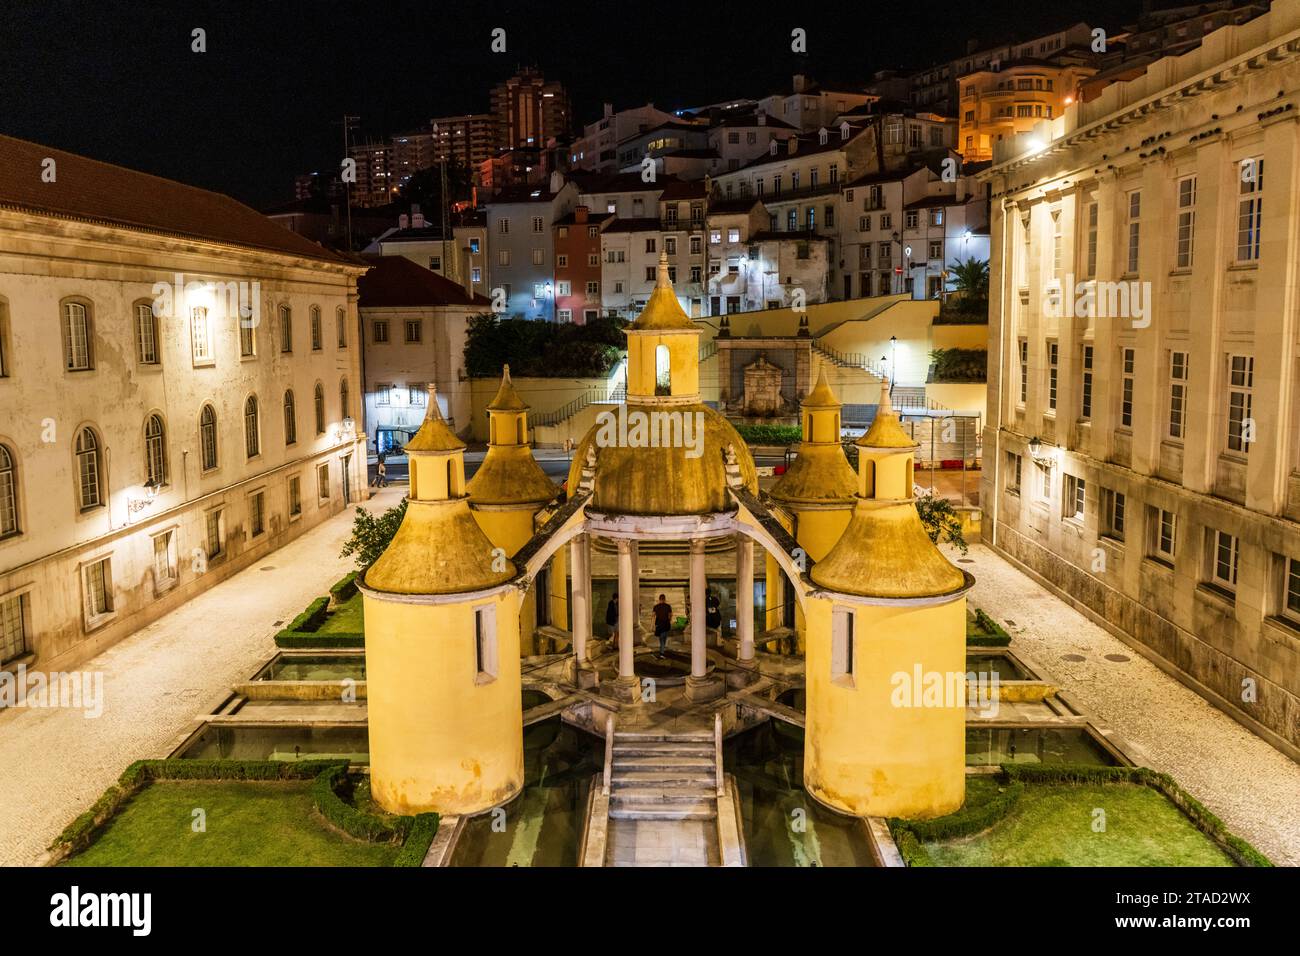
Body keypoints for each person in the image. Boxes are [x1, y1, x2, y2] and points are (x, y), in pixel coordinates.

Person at [652, 593, 673, 659]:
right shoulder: (668, 606)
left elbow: (653, 616)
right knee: (663, 639)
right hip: (666, 624)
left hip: (658, 625)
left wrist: (652, 626)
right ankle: (662, 653)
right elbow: (670, 615)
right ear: (664, 599)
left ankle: (662, 651)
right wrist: (669, 621)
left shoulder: (656, 606)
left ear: (659, 599)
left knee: (661, 639)